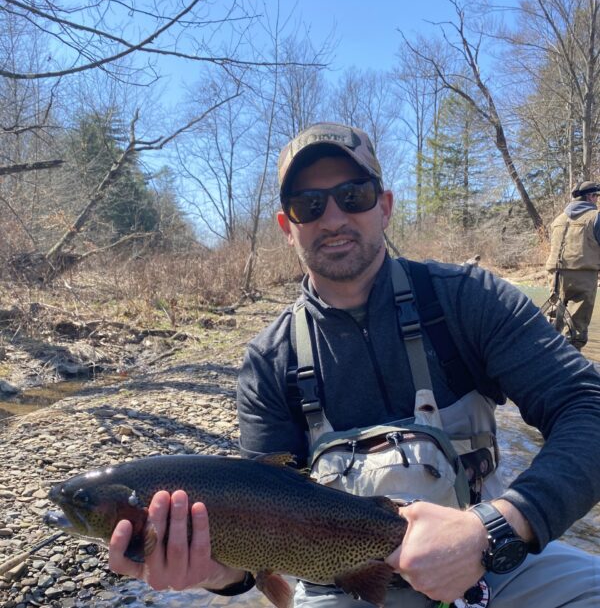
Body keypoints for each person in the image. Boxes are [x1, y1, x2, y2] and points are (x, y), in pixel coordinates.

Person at [108, 123, 600, 607]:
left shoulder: (469, 299)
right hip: (341, 588)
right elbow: (255, 544)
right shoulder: (268, 362)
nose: (333, 217)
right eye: (309, 205)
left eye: (354, 194)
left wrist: (499, 525)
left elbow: (588, 407)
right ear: (287, 227)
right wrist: (217, 573)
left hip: (492, 556)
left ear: (384, 206)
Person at [545, 180, 600, 350]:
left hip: (555, 276)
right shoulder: (596, 217)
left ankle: (544, 359)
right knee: (577, 329)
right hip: (583, 276)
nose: (597, 200)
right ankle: (570, 366)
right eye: (596, 196)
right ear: (590, 196)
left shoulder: (558, 219)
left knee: (552, 325)